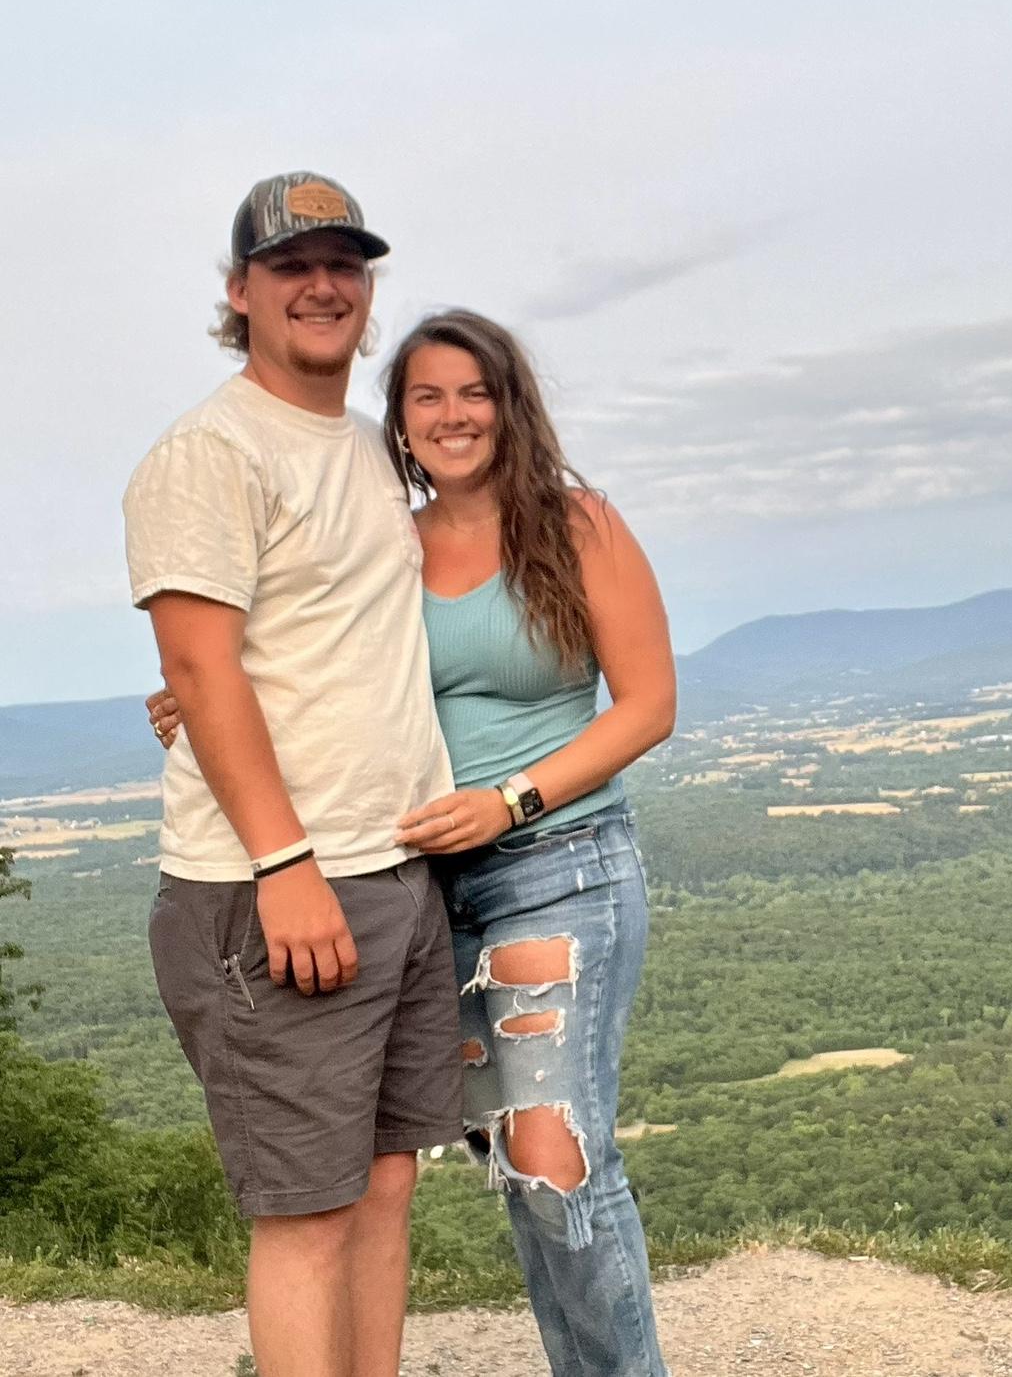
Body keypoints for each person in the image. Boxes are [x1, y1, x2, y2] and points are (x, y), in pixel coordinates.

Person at [152, 309, 677, 1377]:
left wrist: (512, 801)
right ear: (397, 420)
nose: (453, 415)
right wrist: (203, 691)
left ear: (509, 405)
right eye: (426, 395)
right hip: (427, 886)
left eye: (474, 392)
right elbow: (317, 650)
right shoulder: (390, 536)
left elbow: (649, 704)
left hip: (557, 865)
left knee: (556, 1161)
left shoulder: (579, 525)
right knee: (465, 1169)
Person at [125, 171, 462, 1377]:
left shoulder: (370, 450)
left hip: (395, 870)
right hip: (279, 884)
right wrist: (285, 862)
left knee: (380, 1191)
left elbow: (313, 644)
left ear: (369, 293)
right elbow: (199, 666)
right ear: (240, 292)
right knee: (307, 1217)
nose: (323, 285)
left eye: (346, 264)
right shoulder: (209, 452)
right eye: (291, 266)